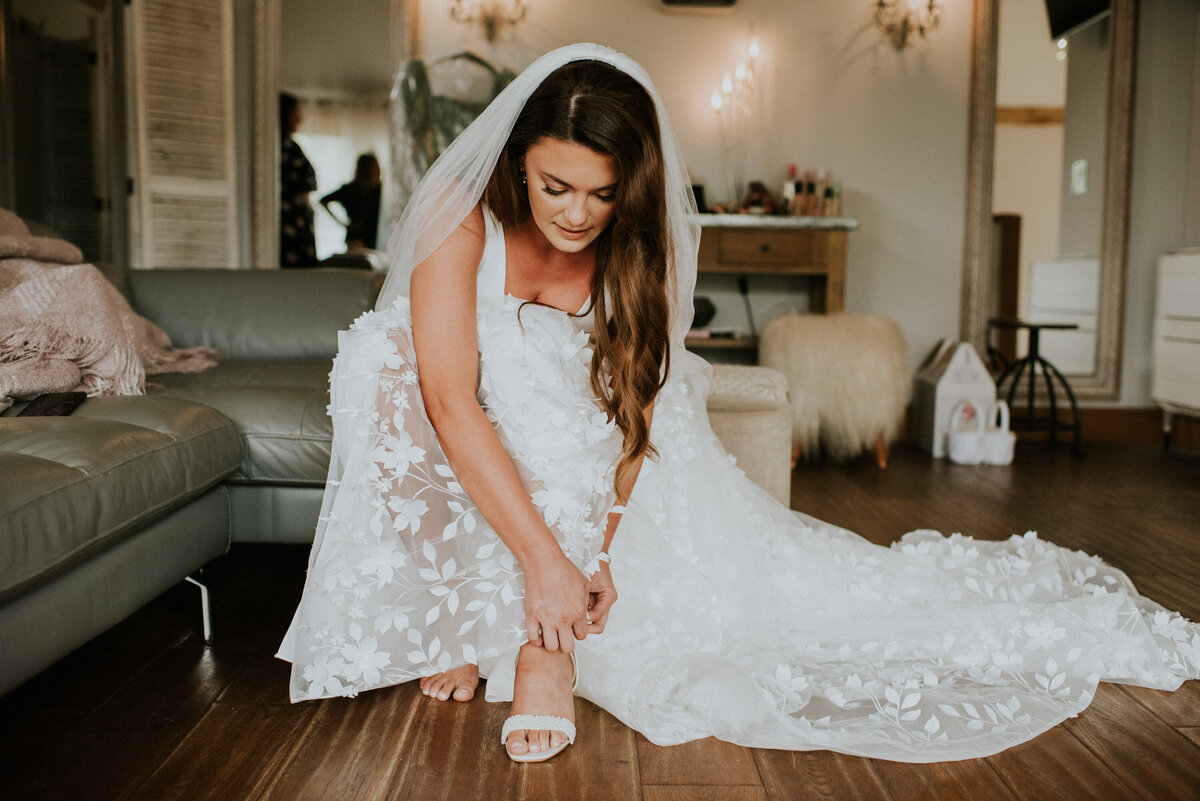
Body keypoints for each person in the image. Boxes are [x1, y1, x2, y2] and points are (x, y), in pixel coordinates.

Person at [278, 44, 1198, 764]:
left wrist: (588, 558)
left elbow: (632, 418)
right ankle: (463, 613)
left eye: (601, 194)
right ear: (518, 162)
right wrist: (542, 561)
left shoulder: (642, 245)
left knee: (580, 419)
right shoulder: (461, 218)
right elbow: (448, 399)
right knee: (378, 358)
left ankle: (541, 643)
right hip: (480, 448)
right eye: (554, 186)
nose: (574, 214)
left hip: (596, 466)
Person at [279, 93, 318, 268]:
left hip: (300, 223)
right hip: (290, 224)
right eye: (296, 113)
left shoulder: (292, 147)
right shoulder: (282, 148)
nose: (299, 118)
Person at [320, 153, 383, 250]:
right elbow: (323, 201)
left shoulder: (380, 191)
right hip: (357, 238)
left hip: (376, 236)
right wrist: (343, 223)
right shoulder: (350, 190)